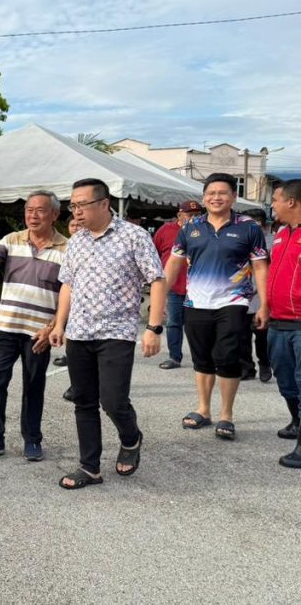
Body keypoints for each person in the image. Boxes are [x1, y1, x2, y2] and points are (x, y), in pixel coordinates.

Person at [49, 178, 166, 489]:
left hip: (117, 331)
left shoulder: (134, 236)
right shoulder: (77, 241)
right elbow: (68, 285)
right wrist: (60, 324)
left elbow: (156, 279)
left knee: (113, 401)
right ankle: (89, 468)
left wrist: (153, 327)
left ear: (103, 204)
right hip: (79, 332)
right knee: (84, 401)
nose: (75, 211)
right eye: (72, 205)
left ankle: (131, 437)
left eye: (81, 204)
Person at [165, 173, 268, 441]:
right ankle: (203, 409)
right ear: (204, 197)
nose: (216, 197)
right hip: (196, 302)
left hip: (233, 302)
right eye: (211, 193)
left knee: (227, 356)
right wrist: (159, 298)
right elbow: (174, 265)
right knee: (201, 358)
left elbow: (259, 266)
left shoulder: (248, 228)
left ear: (234, 197)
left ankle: (227, 415)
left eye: (223, 193)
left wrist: (264, 304)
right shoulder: (190, 228)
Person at [0, 191, 68, 461]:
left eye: (40, 210)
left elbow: (71, 294)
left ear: (54, 214)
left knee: (34, 385)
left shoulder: (66, 249)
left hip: (39, 332)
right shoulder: (11, 240)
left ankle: (32, 440)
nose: (32, 215)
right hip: (7, 327)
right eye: (28, 210)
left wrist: (55, 327)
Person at [266, 180, 301, 466]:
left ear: (291, 202)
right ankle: (296, 422)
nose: (272, 204)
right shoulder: (279, 234)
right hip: (278, 321)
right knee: (286, 382)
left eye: (276, 199)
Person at [153, 200, 203, 369]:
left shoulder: (205, 230)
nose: (194, 218)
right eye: (190, 215)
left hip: (197, 287)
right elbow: (154, 252)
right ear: (179, 215)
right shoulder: (166, 230)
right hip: (173, 286)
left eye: (198, 215)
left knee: (195, 325)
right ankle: (174, 357)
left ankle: (200, 358)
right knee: (174, 322)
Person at [240, 208, 274, 382]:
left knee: (262, 335)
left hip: (261, 294)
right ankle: (247, 367)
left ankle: (265, 363)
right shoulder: (239, 240)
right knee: (242, 335)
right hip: (241, 295)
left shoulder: (271, 242)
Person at [53, 217, 82, 372]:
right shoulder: (63, 244)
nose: (75, 227)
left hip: (79, 294)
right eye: (72, 225)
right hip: (62, 288)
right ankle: (67, 353)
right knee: (65, 324)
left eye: (78, 225)